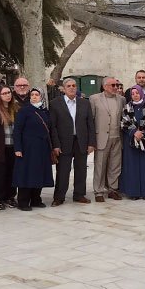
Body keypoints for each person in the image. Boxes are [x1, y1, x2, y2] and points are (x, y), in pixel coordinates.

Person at [50, 78, 96, 206]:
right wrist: (56, 145)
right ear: (64, 89)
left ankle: (79, 194)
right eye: (69, 86)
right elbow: (52, 126)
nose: (71, 88)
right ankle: (59, 197)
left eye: (74, 85)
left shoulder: (84, 103)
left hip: (81, 141)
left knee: (81, 169)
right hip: (64, 143)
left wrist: (91, 143)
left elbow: (90, 124)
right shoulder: (55, 104)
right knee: (63, 171)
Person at [12, 88, 54, 211]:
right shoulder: (24, 111)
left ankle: (36, 199)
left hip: (42, 148)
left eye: (37, 94)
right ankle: (23, 202)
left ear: (42, 97)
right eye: (32, 95)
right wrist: (18, 148)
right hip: (27, 148)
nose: (34, 97)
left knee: (39, 173)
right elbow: (17, 130)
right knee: (26, 174)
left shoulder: (44, 111)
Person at [90, 77, 125, 202]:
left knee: (115, 165)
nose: (116, 87)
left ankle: (112, 189)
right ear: (105, 86)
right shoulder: (94, 99)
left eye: (117, 85)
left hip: (117, 137)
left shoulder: (121, 99)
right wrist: (91, 140)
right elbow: (91, 120)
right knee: (100, 165)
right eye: (113, 85)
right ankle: (98, 191)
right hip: (101, 137)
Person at [120, 85, 145, 200]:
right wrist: (134, 132)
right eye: (133, 94)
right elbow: (123, 123)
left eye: (137, 93)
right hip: (132, 141)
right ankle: (134, 192)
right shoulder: (127, 107)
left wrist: (143, 133)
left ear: (142, 93)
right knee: (133, 167)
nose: (135, 95)